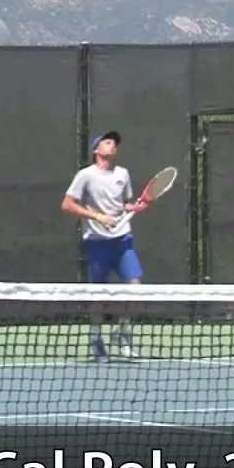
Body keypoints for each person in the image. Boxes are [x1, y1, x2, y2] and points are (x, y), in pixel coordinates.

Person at [60, 131, 146, 362]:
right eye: (108, 142)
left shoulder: (123, 174)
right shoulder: (85, 175)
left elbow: (125, 204)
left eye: (115, 143)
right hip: (97, 243)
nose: (113, 145)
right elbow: (67, 205)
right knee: (98, 296)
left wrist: (133, 207)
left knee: (135, 288)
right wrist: (98, 217)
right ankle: (96, 337)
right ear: (96, 149)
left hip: (123, 240)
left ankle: (123, 333)